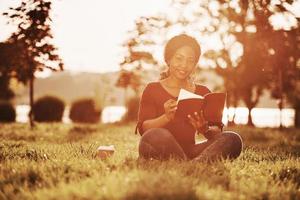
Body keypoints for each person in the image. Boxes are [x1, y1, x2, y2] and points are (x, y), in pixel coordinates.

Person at [135, 33, 243, 161]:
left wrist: (205, 129)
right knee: (154, 135)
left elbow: (217, 132)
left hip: (192, 150)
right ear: (168, 59)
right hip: (160, 145)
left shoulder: (203, 92)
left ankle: (191, 163)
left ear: (195, 64)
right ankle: (193, 163)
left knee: (232, 139)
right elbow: (144, 129)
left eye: (190, 60)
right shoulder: (152, 89)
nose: (184, 65)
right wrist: (166, 117)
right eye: (179, 58)